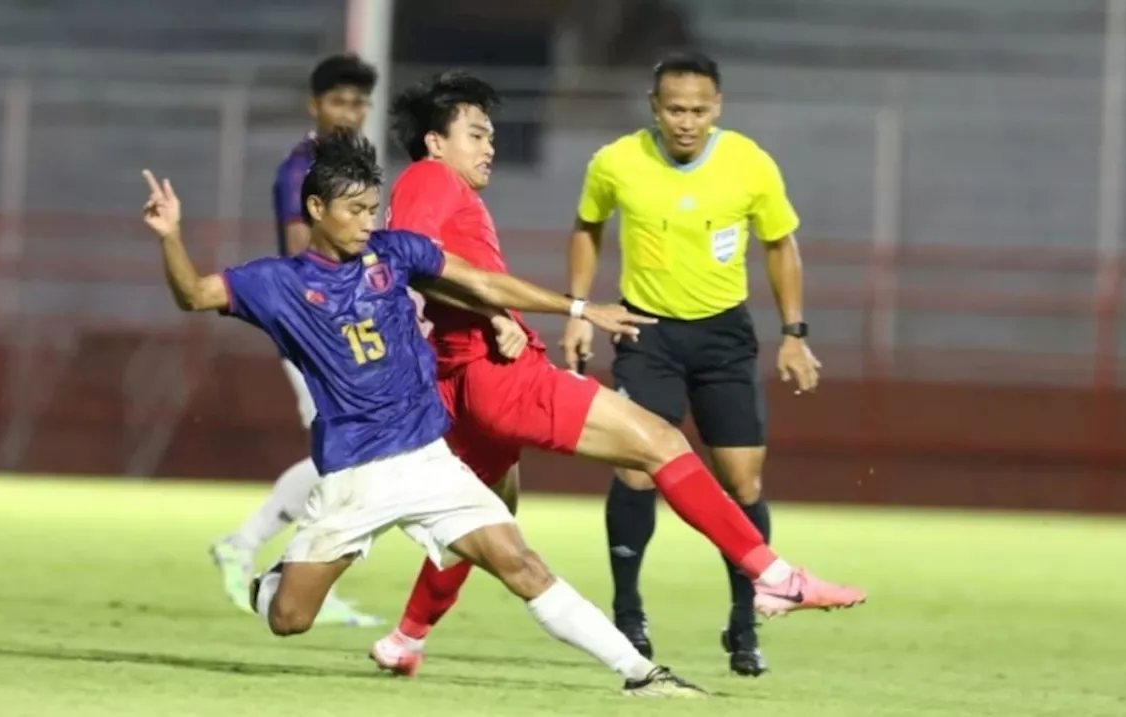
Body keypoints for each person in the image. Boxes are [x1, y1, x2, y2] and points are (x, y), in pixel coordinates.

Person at [140, 129, 705, 697]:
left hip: (431, 460)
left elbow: (482, 281)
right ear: (316, 208)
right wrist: (170, 237)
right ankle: (274, 583)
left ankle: (641, 674)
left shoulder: (393, 251)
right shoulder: (276, 283)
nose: (367, 222)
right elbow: (194, 294)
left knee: (521, 564)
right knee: (289, 619)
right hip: (356, 476)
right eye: (355, 210)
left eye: (373, 209)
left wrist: (578, 307)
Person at [368, 70, 866, 679]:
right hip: (498, 374)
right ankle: (773, 577)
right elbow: (410, 262)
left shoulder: (446, 188)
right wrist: (523, 311)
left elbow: (431, 269)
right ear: (434, 142)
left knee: (483, 516)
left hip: (468, 377)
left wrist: (489, 310)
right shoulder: (429, 178)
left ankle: (405, 639)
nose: (489, 146)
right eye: (476, 134)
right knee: (659, 442)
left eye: (491, 135)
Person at [559, 50, 831, 676]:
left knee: (744, 484)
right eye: (675, 109)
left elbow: (779, 244)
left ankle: (744, 622)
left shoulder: (749, 162)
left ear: (718, 108)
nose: (687, 121)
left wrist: (794, 332)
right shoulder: (616, 161)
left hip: (724, 338)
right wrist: (578, 309)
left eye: (699, 110)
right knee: (636, 472)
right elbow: (587, 225)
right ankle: (628, 614)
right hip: (644, 332)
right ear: (655, 108)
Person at [207, 53, 382, 626]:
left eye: (358, 101)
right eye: (339, 100)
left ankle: (262, 550)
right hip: (314, 328)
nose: (350, 112)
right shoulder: (301, 171)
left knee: (344, 455)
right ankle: (276, 558)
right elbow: (297, 255)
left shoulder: (349, 168)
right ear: (315, 105)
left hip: (341, 326)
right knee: (343, 455)